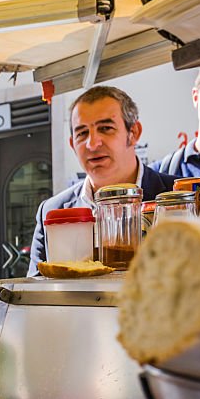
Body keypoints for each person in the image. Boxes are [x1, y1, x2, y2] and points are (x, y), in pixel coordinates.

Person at [28, 86, 176, 275]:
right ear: (72, 144)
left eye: (106, 128)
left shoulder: (178, 197)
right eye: (82, 133)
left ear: (134, 133)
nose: (92, 144)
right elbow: (35, 294)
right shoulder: (52, 211)